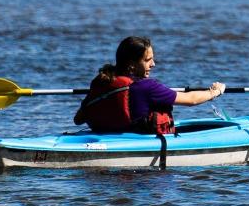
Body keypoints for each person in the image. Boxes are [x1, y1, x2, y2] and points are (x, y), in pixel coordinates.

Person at [73, 37, 226, 135]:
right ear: (132, 65)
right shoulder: (147, 87)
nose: (153, 64)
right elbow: (190, 99)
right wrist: (215, 91)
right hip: (135, 145)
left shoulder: (103, 80)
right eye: (148, 60)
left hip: (107, 136)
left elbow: (78, 119)